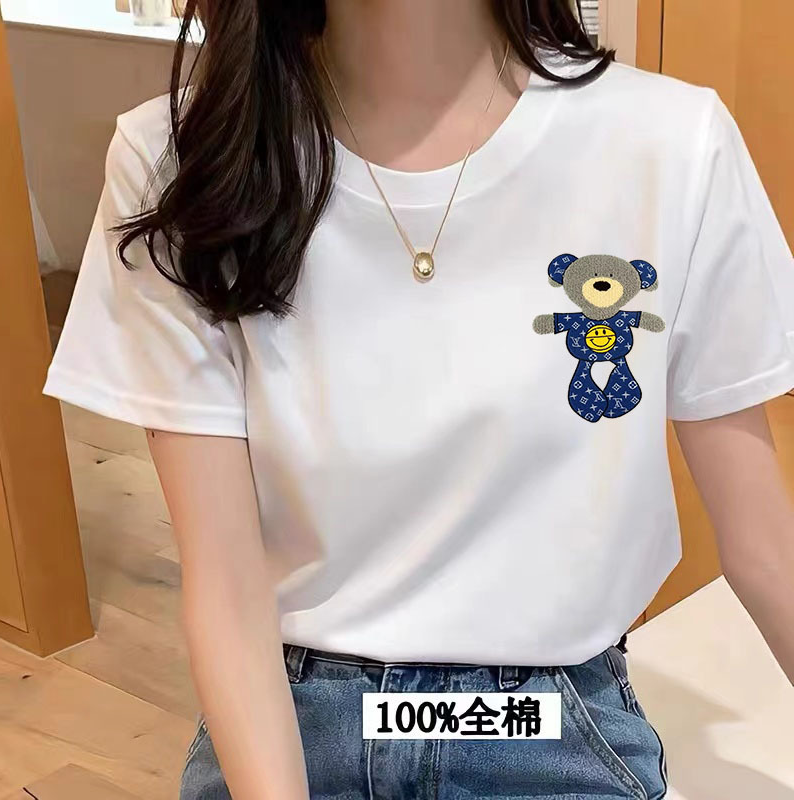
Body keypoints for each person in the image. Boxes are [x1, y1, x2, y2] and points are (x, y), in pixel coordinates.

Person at [43, 1, 794, 798]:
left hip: (544, 723)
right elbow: (225, 585)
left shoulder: (669, 145)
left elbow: (763, 546)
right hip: (287, 716)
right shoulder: (184, 162)